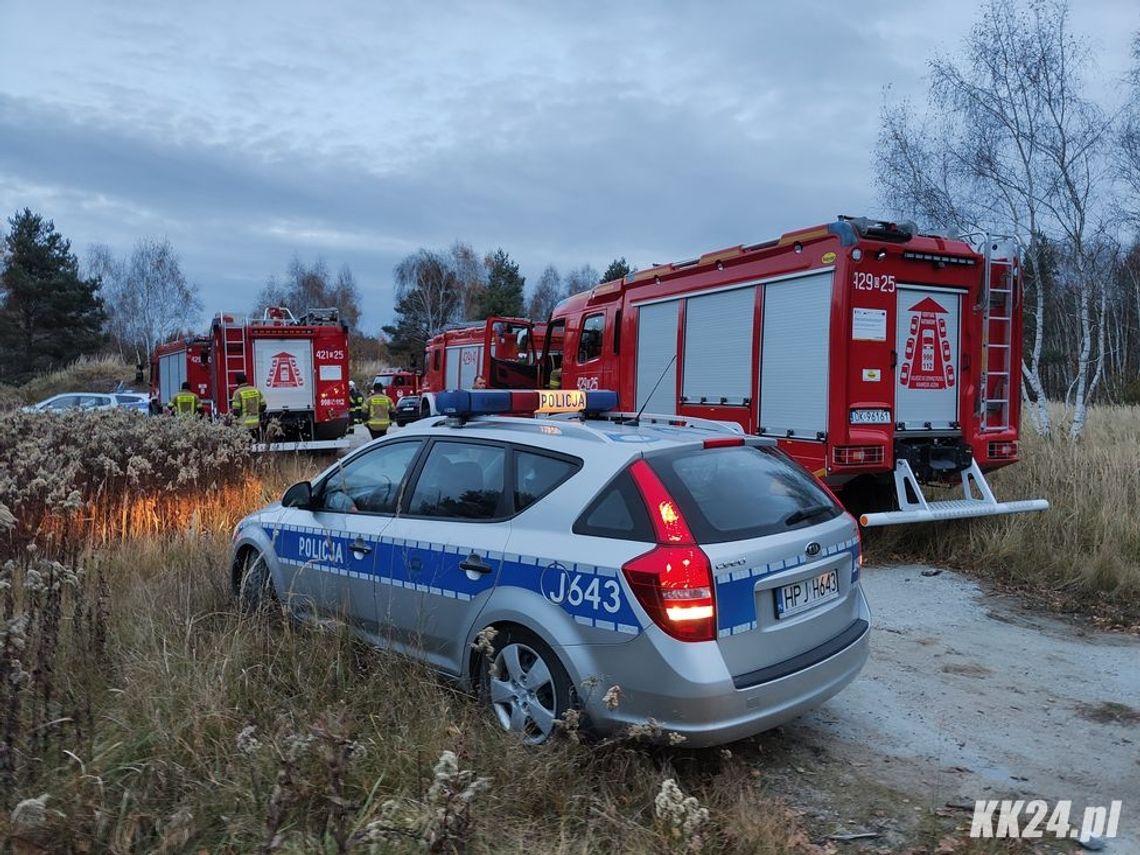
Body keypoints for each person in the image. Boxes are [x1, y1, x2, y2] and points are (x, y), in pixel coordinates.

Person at [231, 372, 266, 437]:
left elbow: (236, 411)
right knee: (255, 445)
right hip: (256, 424)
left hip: (243, 426)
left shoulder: (238, 392)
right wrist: (257, 412)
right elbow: (264, 405)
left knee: (246, 445)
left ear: (237, 382)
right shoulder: (256, 390)